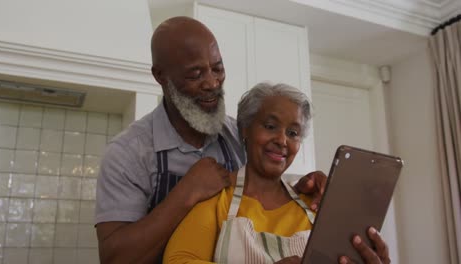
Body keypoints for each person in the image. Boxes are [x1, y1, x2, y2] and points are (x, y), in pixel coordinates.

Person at [95, 17, 327, 264]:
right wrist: (187, 192)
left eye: (217, 69)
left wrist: (306, 185)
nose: (212, 83)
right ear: (160, 76)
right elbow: (114, 258)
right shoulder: (128, 154)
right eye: (195, 74)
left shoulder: (239, 133)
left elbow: (266, 179)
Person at [163, 83, 390, 264]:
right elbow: (178, 261)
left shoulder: (313, 205)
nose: (282, 141)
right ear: (245, 129)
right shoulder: (216, 197)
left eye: (293, 133)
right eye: (270, 126)